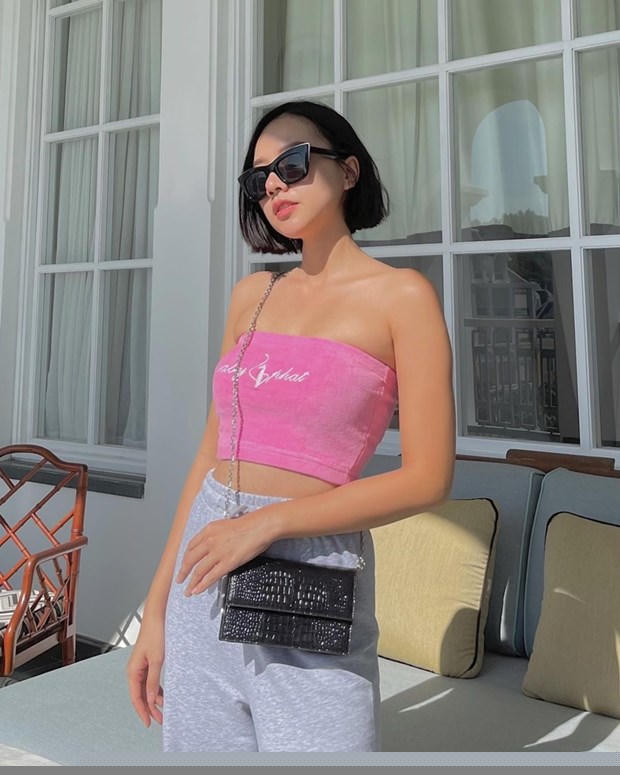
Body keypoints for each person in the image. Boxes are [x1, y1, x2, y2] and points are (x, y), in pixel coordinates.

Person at [126, 100, 456, 752]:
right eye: (260, 178)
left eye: (293, 163)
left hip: (314, 573)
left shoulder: (403, 297)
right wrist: (155, 610)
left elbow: (428, 478)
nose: (275, 184)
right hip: (206, 568)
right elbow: (209, 457)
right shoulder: (253, 296)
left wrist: (269, 522)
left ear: (349, 171)